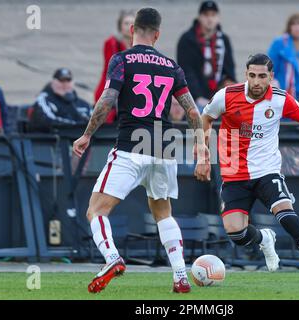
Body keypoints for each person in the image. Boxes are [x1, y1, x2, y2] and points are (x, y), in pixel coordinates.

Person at [73, 8, 210, 294]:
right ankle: (181, 276)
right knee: (163, 212)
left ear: (132, 29)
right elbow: (192, 111)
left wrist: (87, 134)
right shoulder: (171, 65)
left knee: (96, 210)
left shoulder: (121, 59)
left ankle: (112, 258)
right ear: (157, 34)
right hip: (164, 145)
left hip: (131, 144)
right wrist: (201, 147)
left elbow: (107, 100)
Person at [201, 53, 299, 289]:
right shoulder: (226, 96)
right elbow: (205, 118)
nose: (256, 81)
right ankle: (265, 238)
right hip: (234, 174)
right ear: (246, 74)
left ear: (271, 77)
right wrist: (204, 153)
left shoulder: (280, 99)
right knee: (236, 233)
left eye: (262, 76)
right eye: (252, 75)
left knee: (289, 219)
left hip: (267, 172)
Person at [177, 1, 236, 112]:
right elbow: (186, 72)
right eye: (206, 15)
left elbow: (229, 69)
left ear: (218, 18)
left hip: (218, 97)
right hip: (194, 100)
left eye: (213, 15)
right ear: (199, 17)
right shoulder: (187, 40)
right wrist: (198, 97)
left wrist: (229, 83)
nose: (210, 19)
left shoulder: (224, 40)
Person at [94, 10, 135, 124]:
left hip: (129, 90)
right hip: (110, 88)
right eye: (126, 23)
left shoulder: (138, 45)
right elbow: (112, 67)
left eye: (132, 23)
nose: (129, 27)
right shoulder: (112, 43)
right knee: (107, 124)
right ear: (120, 26)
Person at [29, 68, 91, 132]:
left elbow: (94, 121)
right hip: (52, 138)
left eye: (68, 81)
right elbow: (48, 121)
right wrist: (77, 125)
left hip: (80, 138)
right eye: (61, 81)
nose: (65, 84)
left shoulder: (83, 104)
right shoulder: (43, 100)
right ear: (53, 82)